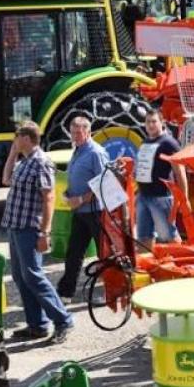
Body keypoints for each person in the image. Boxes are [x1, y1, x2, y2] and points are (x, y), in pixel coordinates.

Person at [1, 122, 73, 344]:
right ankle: (37, 325)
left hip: (30, 228)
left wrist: (45, 233)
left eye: (17, 136)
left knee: (33, 275)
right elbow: (5, 179)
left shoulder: (41, 162)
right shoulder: (24, 162)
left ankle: (63, 320)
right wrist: (13, 154)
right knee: (21, 277)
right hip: (15, 226)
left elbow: (49, 198)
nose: (14, 139)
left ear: (26, 137)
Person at [57, 116, 109, 299]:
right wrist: (68, 194)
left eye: (79, 133)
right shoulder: (77, 150)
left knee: (105, 254)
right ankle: (65, 293)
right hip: (80, 212)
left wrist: (80, 199)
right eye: (73, 133)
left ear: (88, 132)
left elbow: (103, 184)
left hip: (96, 212)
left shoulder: (96, 152)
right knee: (73, 254)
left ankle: (111, 291)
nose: (76, 136)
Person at [135, 109, 187, 248]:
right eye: (148, 122)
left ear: (161, 123)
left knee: (169, 236)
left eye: (154, 122)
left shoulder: (169, 143)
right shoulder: (145, 141)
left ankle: (179, 263)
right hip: (143, 196)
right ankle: (146, 268)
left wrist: (183, 199)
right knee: (144, 237)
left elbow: (180, 171)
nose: (150, 125)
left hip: (161, 198)